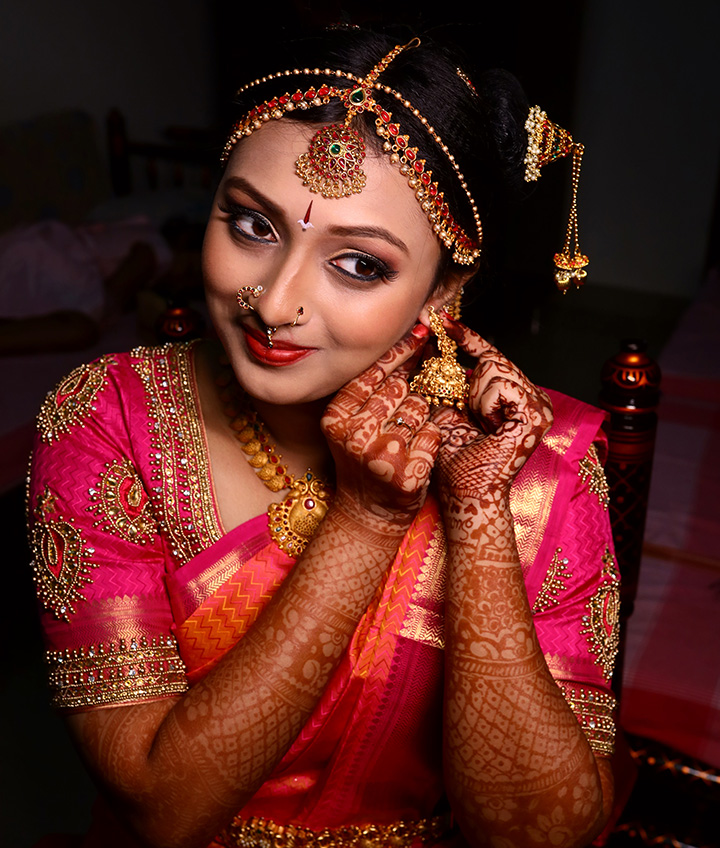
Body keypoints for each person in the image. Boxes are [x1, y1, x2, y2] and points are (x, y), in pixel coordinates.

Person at [27, 26, 619, 848]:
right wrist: (364, 520)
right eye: (251, 225)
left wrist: (480, 514)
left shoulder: (535, 466)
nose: (274, 304)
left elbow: (543, 839)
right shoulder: (108, 420)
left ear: (443, 290)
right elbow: (162, 811)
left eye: (360, 264)